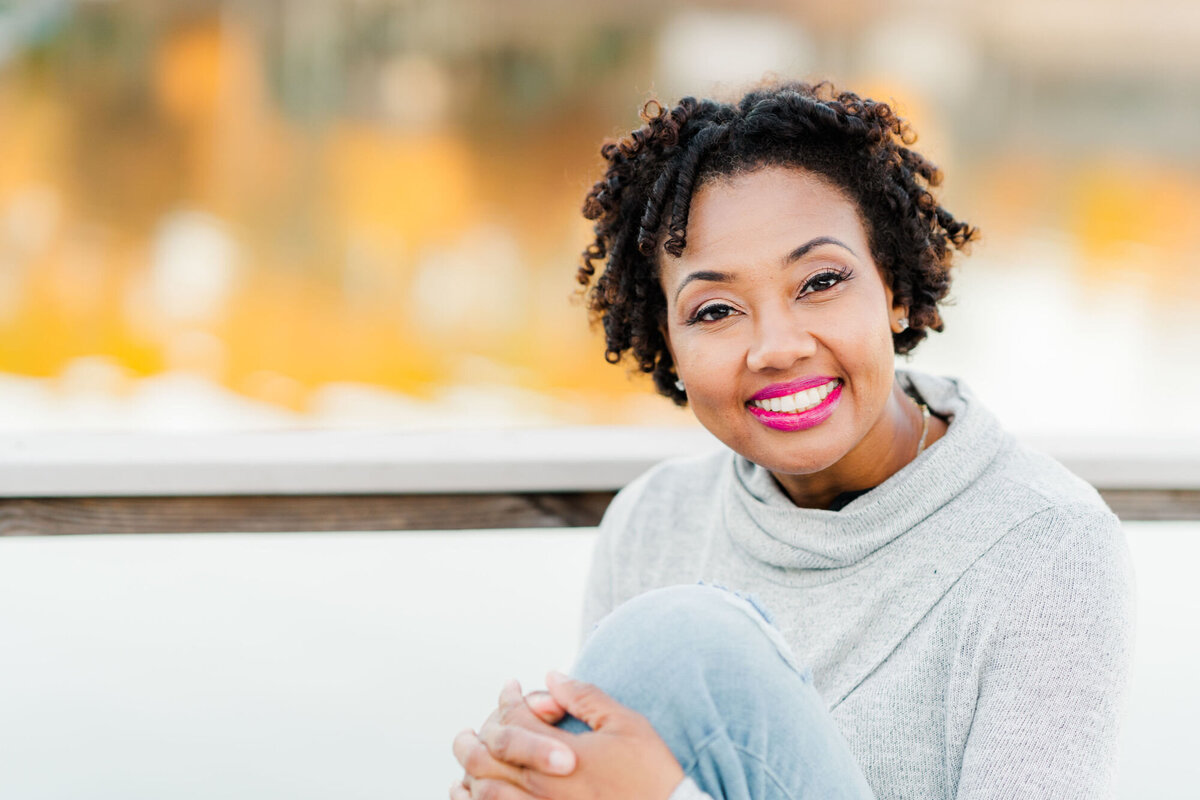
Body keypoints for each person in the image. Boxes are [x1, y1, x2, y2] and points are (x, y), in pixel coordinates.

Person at [449, 81, 1134, 799]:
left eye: (820, 281)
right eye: (715, 311)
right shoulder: (655, 523)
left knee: (686, 631)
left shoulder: (1047, 545)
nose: (776, 347)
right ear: (668, 344)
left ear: (893, 287)